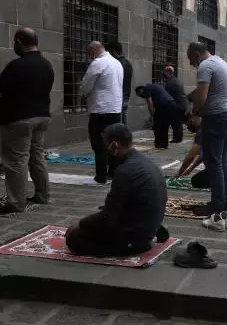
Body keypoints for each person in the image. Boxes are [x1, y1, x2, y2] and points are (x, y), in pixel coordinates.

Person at [65, 124, 168, 257]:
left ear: (114, 145)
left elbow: (108, 216)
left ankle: (129, 245)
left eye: (106, 145)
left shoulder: (125, 171)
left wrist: (80, 223)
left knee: (74, 238)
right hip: (150, 224)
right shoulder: (148, 162)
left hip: (135, 235)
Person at [0, 28, 54, 214]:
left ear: (19, 42)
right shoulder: (47, 64)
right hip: (42, 116)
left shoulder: (17, 66)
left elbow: (3, 89)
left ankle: (15, 202)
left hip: (19, 118)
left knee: (16, 160)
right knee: (36, 156)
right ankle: (43, 195)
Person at [187, 42, 227, 216]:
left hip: (216, 118)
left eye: (191, 59)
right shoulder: (220, 62)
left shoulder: (205, 66)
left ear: (197, 53)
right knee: (221, 161)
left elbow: (201, 96)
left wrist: (194, 112)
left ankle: (216, 205)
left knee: (214, 163)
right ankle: (223, 200)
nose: (192, 64)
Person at [80, 41, 123, 185]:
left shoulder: (98, 63)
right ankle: (113, 172)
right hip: (115, 109)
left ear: (93, 51)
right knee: (114, 143)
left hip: (101, 110)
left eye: (89, 53)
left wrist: (83, 93)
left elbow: (85, 86)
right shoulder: (117, 63)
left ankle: (100, 176)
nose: (90, 57)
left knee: (99, 144)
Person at [135, 84, 178, 149]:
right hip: (171, 103)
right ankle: (164, 144)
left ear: (140, 91)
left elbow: (150, 103)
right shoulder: (152, 87)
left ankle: (159, 144)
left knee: (157, 126)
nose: (142, 97)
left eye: (140, 95)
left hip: (164, 105)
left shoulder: (146, 90)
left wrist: (152, 116)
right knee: (164, 125)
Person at [106, 42, 132, 125]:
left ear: (113, 51)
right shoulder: (127, 63)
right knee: (123, 118)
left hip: (119, 96)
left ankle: (123, 136)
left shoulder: (117, 64)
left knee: (119, 121)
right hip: (126, 95)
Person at [163, 66, 188, 143]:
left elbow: (167, 96)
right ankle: (178, 138)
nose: (163, 74)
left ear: (168, 72)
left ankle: (176, 139)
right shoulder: (177, 80)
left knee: (175, 123)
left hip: (177, 105)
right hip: (183, 104)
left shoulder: (170, 82)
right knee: (178, 123)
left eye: (164, 72)